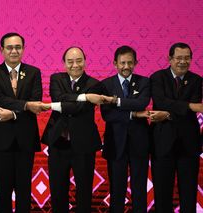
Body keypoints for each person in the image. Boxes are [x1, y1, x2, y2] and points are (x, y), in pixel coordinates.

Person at [41, 47, 109, 213]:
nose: (75, 65)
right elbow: (58, 98)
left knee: (84, 190)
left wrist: (63, 105)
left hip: (84, 144)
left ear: (85, 61)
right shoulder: (56, 78)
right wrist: (85, 97)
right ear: (64, 63)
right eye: (70, 61)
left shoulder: (95, 84)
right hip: (59, 141)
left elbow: (78, 109)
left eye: (79, 60)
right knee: (57, 190)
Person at [0, 32, 43, 213]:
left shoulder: (34, 72)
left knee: (24, 190)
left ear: (23, 49)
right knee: (2, 191)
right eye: (9, 47)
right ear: (1, 50)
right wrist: (25, 106)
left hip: (25, 139)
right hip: (1, 139)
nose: (14, 51)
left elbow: (37, 101)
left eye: (18, 47)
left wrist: (14, 114)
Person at [150, 42, 202, 212]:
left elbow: (189, 105)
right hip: (162, 143)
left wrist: (169, 113)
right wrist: (189, 107)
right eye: (179, 58)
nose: (183, 62)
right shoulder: (157, 77)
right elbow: (161, 101)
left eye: (187, 58)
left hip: (189, 145)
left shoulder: (196, 80)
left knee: (188, 194)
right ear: (170, 59)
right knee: (162, 194)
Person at [100, 45, 150, 212]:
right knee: (116, 191)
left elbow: (141, 103)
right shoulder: (105, 85)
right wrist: (134, 114)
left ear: (136, 63)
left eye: (130, 62)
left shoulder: (144, 82)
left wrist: (117, 102)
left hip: (140, 144)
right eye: (122, 63)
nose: (126, 66)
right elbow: (107, 115)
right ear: (115, 63)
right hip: (115, 144)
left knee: (140, 190)